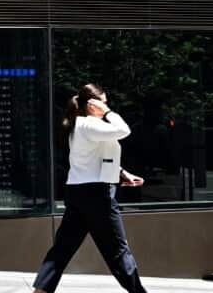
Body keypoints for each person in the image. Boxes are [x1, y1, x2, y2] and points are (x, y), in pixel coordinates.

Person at [32, 84, 147, 293]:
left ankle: (40, 292)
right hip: (97, 195)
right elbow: (124, 130)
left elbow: (98, 155)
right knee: (118, 251)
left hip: (78, 193)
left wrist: (121, 173)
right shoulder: (90, 124)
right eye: (103, 102)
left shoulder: (81, 125)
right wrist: (109, 112)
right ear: (91, 104)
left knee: (62, 249)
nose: (106, 106)